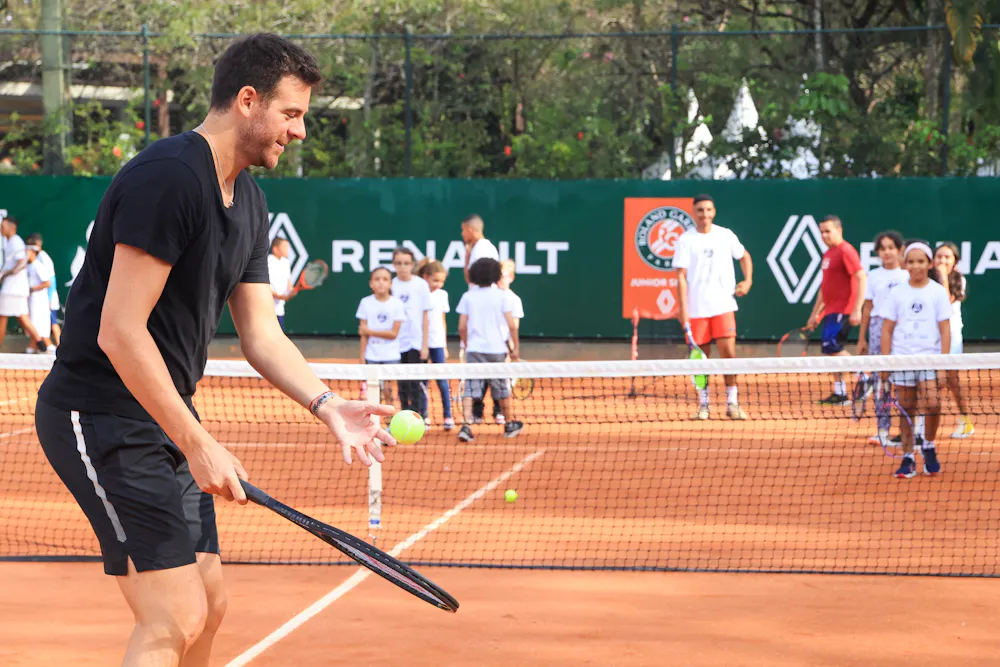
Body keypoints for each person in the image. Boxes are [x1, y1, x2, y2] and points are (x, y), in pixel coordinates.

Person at [34, 34, 396, 667]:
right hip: (99, 416)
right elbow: (118, 330)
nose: (301, 131)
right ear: (247, 100)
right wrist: (198, 443)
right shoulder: (170, 177)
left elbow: (261, 334)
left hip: (163, 419)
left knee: (210, 604)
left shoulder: (250, 201)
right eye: (291, 113)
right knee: (174, 617)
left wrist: (327, 404)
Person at [674, 194, 753, 421]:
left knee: (728, 355)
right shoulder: (685, 240)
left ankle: (733, 403)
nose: (705, 215)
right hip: (697, 310)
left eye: (708, 210)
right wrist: (684, 309)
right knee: (700, 360)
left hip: (723, 306)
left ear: (714, 211)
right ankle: (704, 405)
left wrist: (747, 281)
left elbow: (744, 256)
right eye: (700, 210)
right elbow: (680, 277)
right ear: (693, 212)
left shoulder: (725, 235)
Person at [880, 241, 951, 478]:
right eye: (911, 261)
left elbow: (945, 330)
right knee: (906, 408)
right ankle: (908, 457)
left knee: (932, 404)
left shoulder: (938, 292)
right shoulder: (897, 292)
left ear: (929, 264)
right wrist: (885, 362)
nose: (916, 266)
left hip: (930, 359)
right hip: (902, 359)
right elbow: (887, 329)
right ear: (904, 264)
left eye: (921, 261)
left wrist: (942, 365)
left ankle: (928, 445)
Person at [456, 258, 523, 442]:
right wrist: (515, 347)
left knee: (471, 387)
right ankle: (509, 424)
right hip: (497, 350)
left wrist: (467, 344)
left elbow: (462, 326)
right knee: (502, 387)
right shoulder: (502, 296)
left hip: (475, 350)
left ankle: (466, 425)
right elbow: (512, 325)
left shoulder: (468, 296)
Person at [805, 215, 867, 406]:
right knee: (831, 350)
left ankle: (864, 377)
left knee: (832, 345)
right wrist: (815, 313)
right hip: (831, 310)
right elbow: (825, 288)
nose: (824, 235)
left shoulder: (845, 251)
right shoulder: (828, 254)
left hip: (844, 308)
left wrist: (857, 309)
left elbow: (861, 277)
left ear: (839, 231)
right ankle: (840, 393)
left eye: (828, 231)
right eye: (821, 232)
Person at [856, 230, 906, 445]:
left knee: (905, 382)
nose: (886, 252)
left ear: (899, 250)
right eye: (882, 249)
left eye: (890, 248)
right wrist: (862, 338)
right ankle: (883, 430)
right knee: (881, 382)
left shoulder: (906, 275)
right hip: (877, 330)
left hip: (903, 331)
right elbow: (867, 307)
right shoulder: (874, 275)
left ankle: (909, 431)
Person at [934, 241, 975, 438]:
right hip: (930, 335)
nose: (942, 260)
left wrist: (942, 277)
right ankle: (921, 423)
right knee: (932, 379)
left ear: (954, 261)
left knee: (950, 378)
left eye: (947, 257)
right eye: (939, 256)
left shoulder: (959, 279)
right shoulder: (925, 279)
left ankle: (965, 421)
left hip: (951, 333)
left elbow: (944, 302)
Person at [391, 247, 431, 420]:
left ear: (412, 264)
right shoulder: (391, 284)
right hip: (396, 344)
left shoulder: (421, 285)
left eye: (406, 263)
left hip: (415, 342)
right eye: (398, 263)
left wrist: (424, 345)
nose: (402, 267)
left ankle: (419, 416)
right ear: (393, 264)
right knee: (402, 383)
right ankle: (404, 415)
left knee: (416, 382)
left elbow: (425, 316)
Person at [357, 266, 406, 406]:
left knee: (388, 391)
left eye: (385, 279)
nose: (381, 282)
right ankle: (373, 422)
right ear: (371, 283)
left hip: (391, 356)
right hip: (371, 356)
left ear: (391, 283)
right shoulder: (365, 302)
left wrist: (369, 331)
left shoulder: (397, 304)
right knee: (373, 394)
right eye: (377, 279)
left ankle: (390, 422)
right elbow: (363, 334)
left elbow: (393, 334)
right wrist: (362, 357)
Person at [417, 259, 455, 430]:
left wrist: (445, 345)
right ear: (425, 277)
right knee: (422, 381)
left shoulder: (443, 295)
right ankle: (424, 415)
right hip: (422, 343)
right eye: (435, 280)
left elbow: (443, 320)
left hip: (438, 343)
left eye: (441, 281)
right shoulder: (418, 293)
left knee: (442, 381)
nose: (438, 284)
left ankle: (448, 416)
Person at [488, 258, 524, 425]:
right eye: (498, 276)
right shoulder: (490, 296)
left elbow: (513, 326)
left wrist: (512, 348)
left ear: (512, 277)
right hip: (489, 346)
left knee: (500, 382)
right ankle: (476, 411)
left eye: (504, 276)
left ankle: (499, 412)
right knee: (484, 380)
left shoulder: (514, 300)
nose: (500, 279)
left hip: (503, 347)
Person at [0, 214, 43, 350]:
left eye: (3, 225)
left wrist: (4, 275)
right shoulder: (10, 242)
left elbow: (21, 263)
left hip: (12, 289)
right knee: (22, 318)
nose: (1, 228)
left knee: (2, 317)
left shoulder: (15, 241)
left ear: (12, 227)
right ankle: (40, 342)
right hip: (15, 289)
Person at [27, 232, 62, 348]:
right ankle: (34, 347)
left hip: (47, 298)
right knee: (48, 323)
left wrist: (49, 299)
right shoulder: (37, 259)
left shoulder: (42, 259)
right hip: (43, 298)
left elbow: (49, 281)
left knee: (52, 323)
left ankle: (59, 347)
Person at [25, 243, 56, 353]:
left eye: (27, 251)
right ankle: (37, 346)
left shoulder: (38, 265)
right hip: (32, 299)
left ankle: (42, 346)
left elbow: (47, 283)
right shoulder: (28, 266)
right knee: (34, 322)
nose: (25, 253)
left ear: (33, 252)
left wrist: (33, 288)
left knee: (38, 323)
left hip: (39, 300)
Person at [461, 214, 499, 286]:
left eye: (463, 230)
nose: (462, 234)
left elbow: (470, 279)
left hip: (481, 294)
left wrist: (467, 257)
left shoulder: (481, 248)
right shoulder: (484, 246)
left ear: (470, 230)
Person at [267, 236, 296, 330]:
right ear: (275, 249)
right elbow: (265, 287)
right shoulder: (268, 262)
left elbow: (288, 284)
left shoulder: (286, 262)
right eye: (284, 247)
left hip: (280, 310)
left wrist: (292, 292)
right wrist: (279, 296)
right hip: (267, 310)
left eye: (288, 247)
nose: (287, 250)